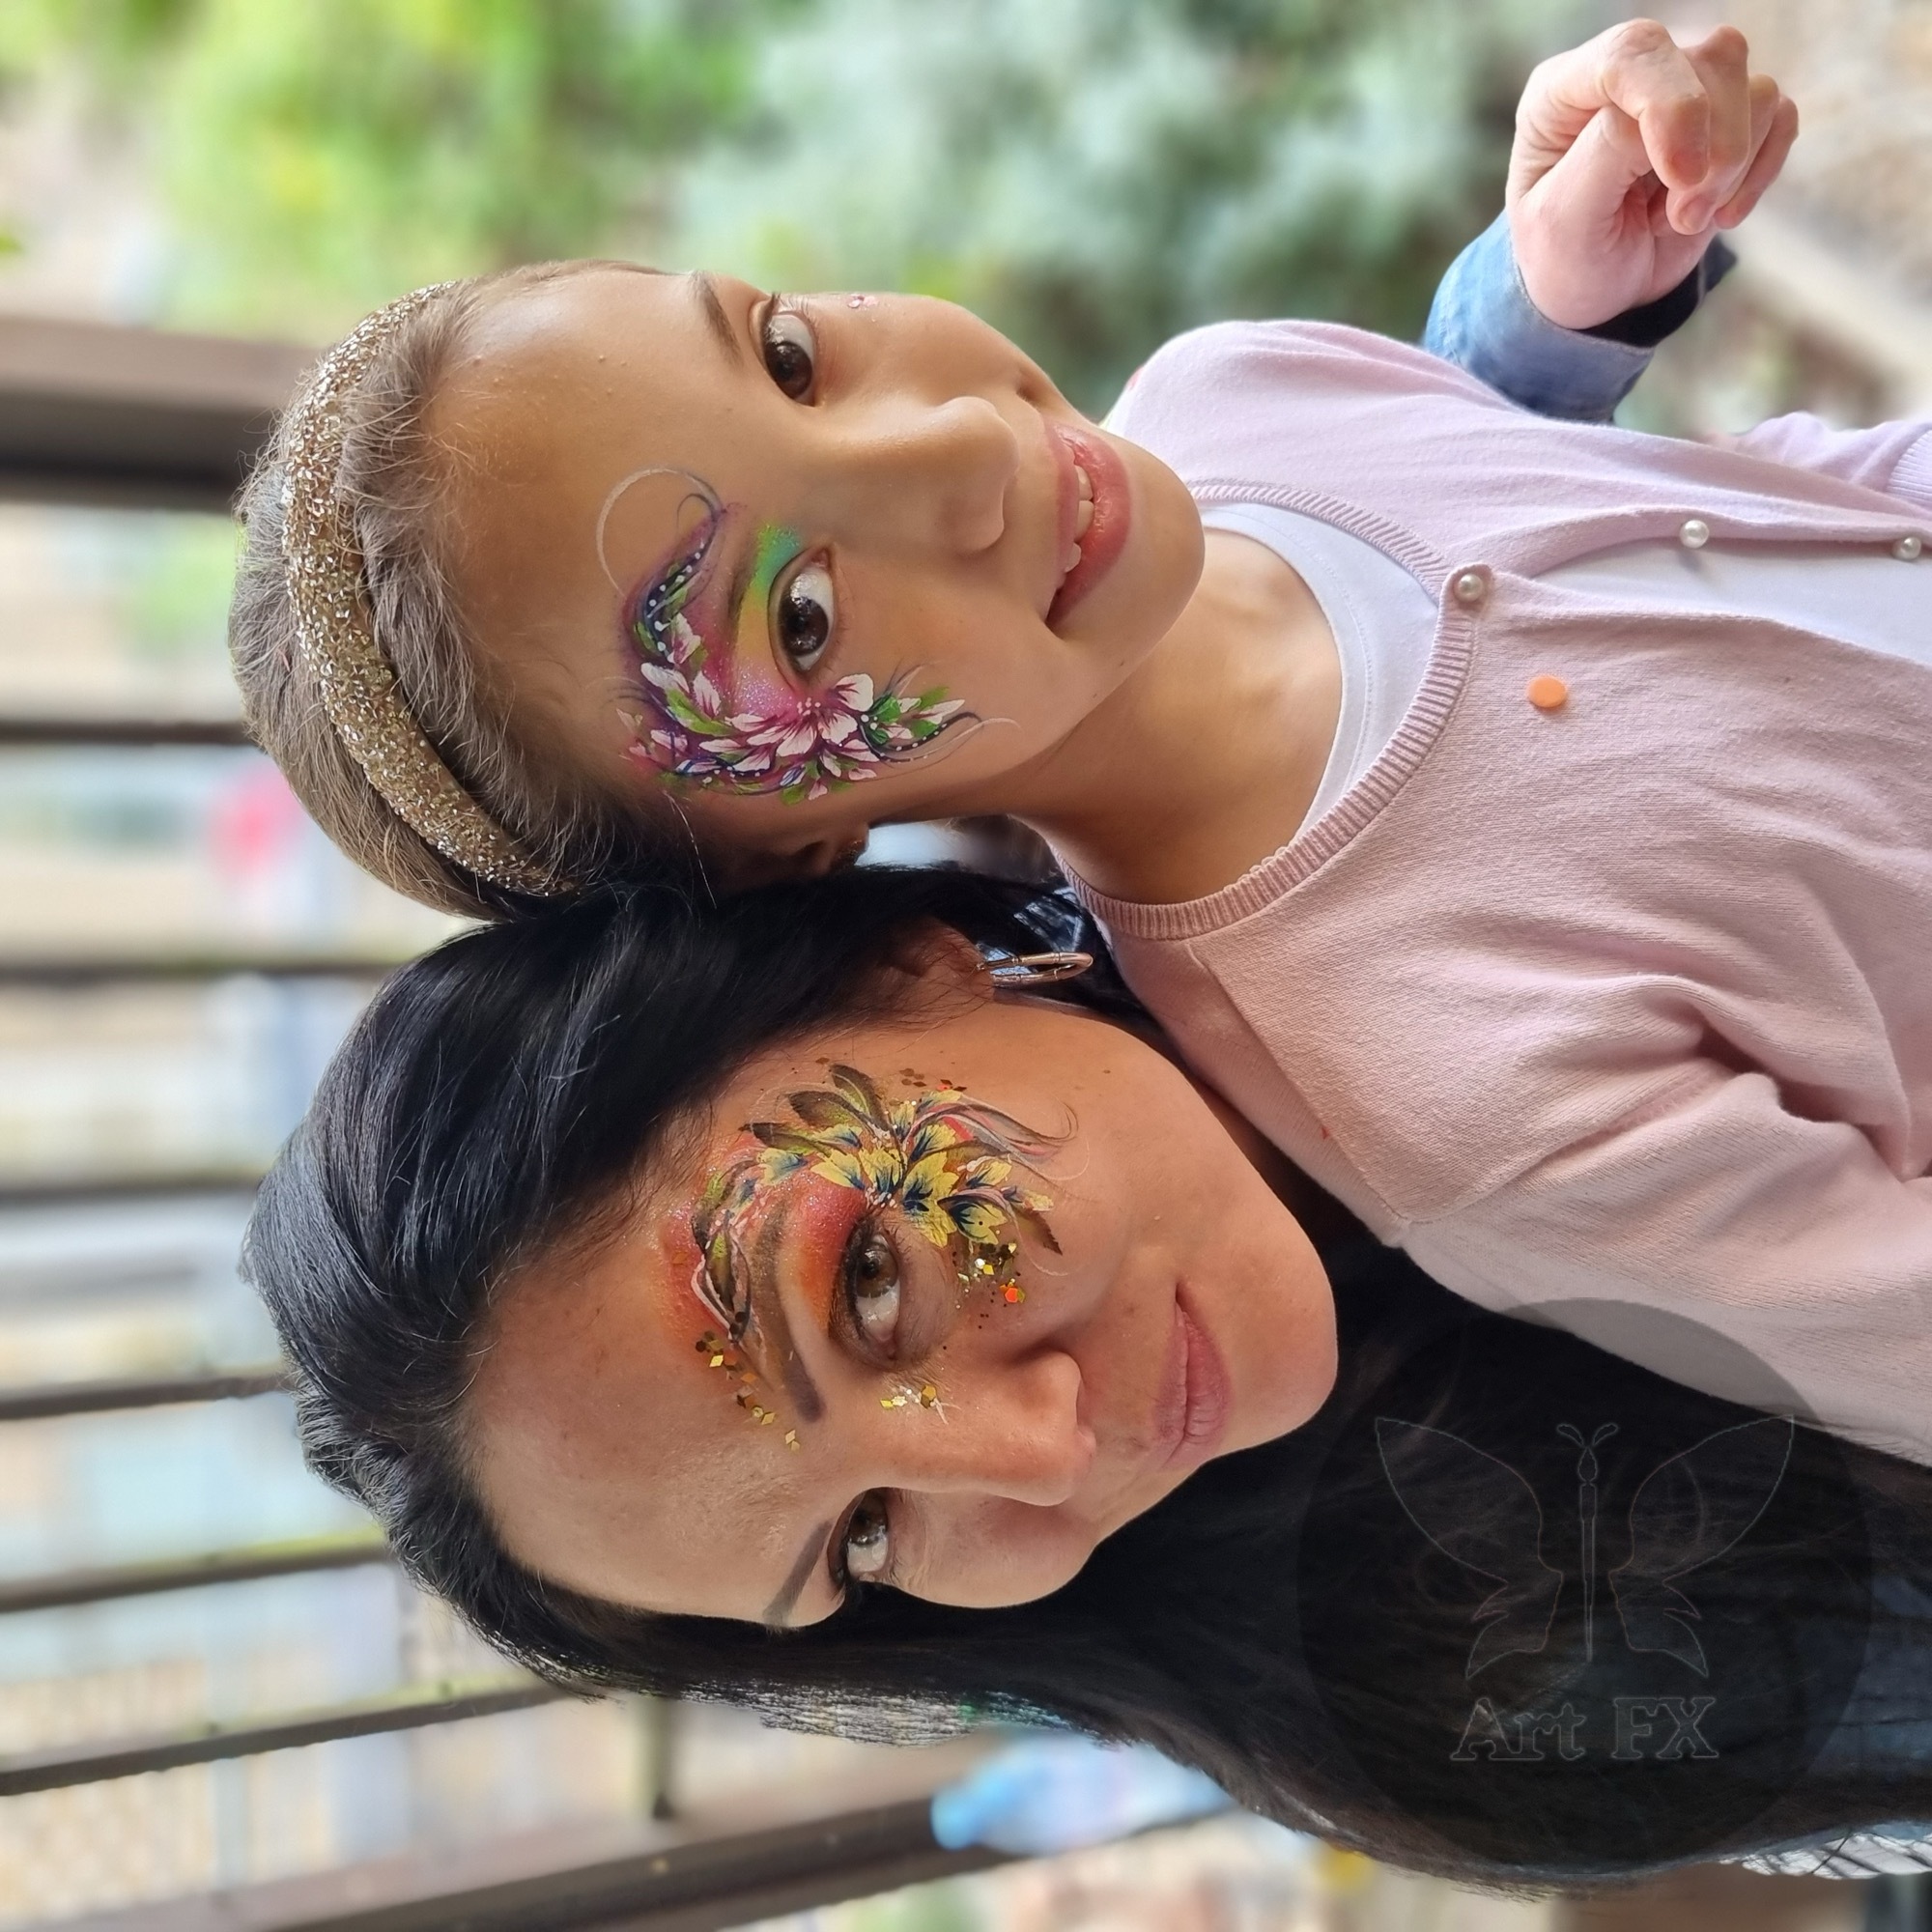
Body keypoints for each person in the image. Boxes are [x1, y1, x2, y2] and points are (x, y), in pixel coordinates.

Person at [228, 23, 1932, 1463]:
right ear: (788, 858)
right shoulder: (1434, 1084)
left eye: (792, 356)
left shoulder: (1220, 396)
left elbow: (1538, 508)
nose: (959, 449)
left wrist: (1560, 293)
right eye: (803, 618)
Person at [245, 869, 1932, 1887]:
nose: (1038, 1455)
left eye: (872, 1283)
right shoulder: (1428, 1688)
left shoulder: (1295, 799)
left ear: (896, 970)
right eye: (868, 1542)